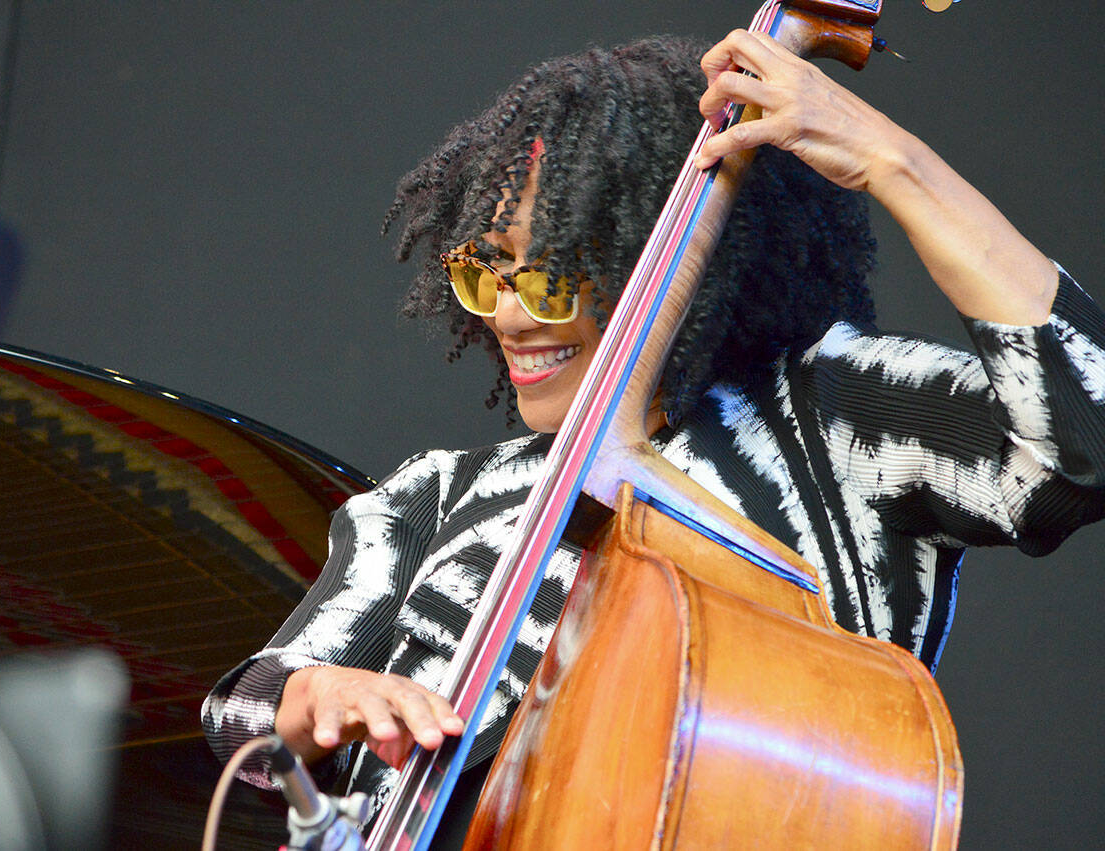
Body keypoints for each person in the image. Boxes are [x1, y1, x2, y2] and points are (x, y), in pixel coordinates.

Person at [203, 29, 1105, 844]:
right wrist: (312, 695)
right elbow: (238, 706)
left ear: (665, 258)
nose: (510, 317)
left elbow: (1086, 441)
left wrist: (891, 161)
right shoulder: (437, 493)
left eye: (551, 279)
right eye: (485, 276)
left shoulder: (836, 419)